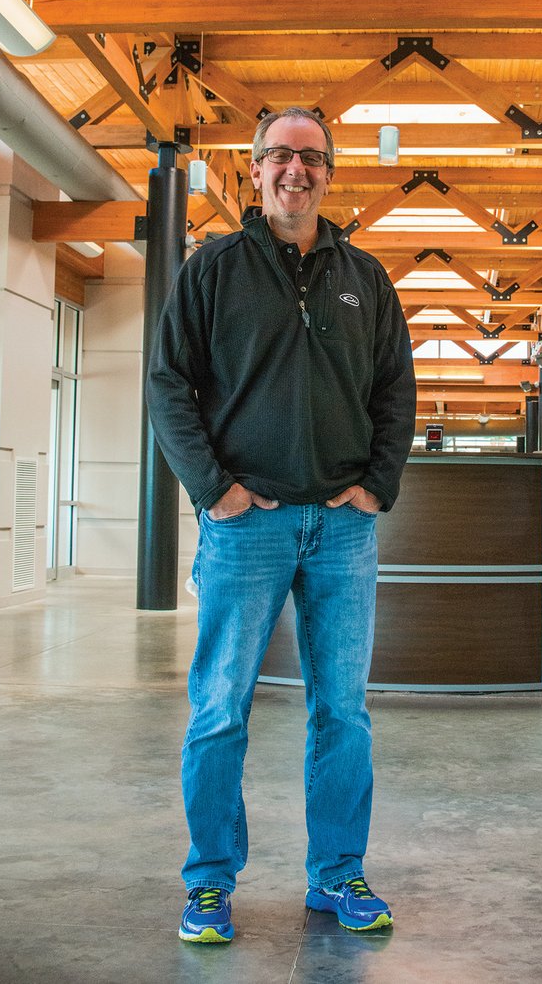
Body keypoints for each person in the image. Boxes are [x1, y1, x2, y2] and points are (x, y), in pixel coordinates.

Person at [146, 108, 417, 943]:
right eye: (280, 156)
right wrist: (213, 490)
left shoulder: (364, 276)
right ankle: (208, 883)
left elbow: (394, 392)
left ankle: (337, 876)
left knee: (343, 711)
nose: (295, 169)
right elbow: (168, 386)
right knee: (220, 707)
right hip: (246, 528)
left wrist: (376, 488)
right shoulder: (213, 270)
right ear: (253, 171)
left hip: (341, 530)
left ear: (330, 174)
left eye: (312, 158)